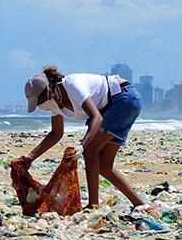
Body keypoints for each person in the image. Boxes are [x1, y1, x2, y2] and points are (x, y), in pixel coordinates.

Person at [17, 65, 145, 208]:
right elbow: (56, 133)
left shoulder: (72, 85)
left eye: (38, 102)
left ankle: (93, 204)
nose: (40, 106)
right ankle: (139, 204)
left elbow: (96, 118)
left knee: (90, 151)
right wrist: (31, 157)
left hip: (123, 99)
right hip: (112, 107)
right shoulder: (55, 104)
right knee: (104, 166)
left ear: (48, 92)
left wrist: (82, 146)